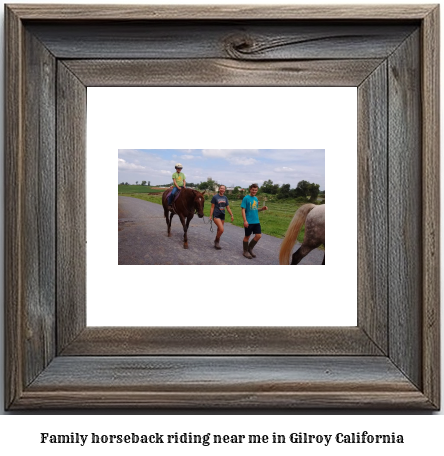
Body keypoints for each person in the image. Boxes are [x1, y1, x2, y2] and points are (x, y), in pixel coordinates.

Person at [241, 183, 268, 259]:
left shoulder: (256, 198)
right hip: (249, 221)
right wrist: (245, 221)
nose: (254, 191)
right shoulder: (246, 198)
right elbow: (243, 210)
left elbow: (255, 209)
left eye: (255, 190)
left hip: (256, 221)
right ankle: (245, 251)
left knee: (258, 236)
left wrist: (262, 209)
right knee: (247, 236)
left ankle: (250, 248)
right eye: (253, 190)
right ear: (250, 189)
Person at [209, 185, 234, 249]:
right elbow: (212, 207)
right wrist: (210, 215)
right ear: (219, 189)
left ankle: (217, 242)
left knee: (219, 229)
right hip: (216, 215)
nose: (222, 190)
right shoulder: (215, 197)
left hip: (222, 215)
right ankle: (216, 241)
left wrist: (231, 215)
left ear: (225, 190)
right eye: (221, 188)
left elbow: (228, 208)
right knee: (222, 229)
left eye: (223, 189)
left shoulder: (225, 198)